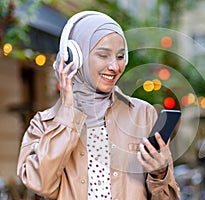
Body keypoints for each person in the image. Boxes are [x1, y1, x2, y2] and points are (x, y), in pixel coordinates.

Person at [16, 10, 181, 200]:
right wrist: (68, 111)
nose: (115, 66)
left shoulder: (143, 114)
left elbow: (169, 197)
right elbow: (40, 184)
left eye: (120, 57)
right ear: (75, 58)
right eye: (103, 55)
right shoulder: (44, 124)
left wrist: (160, 174)